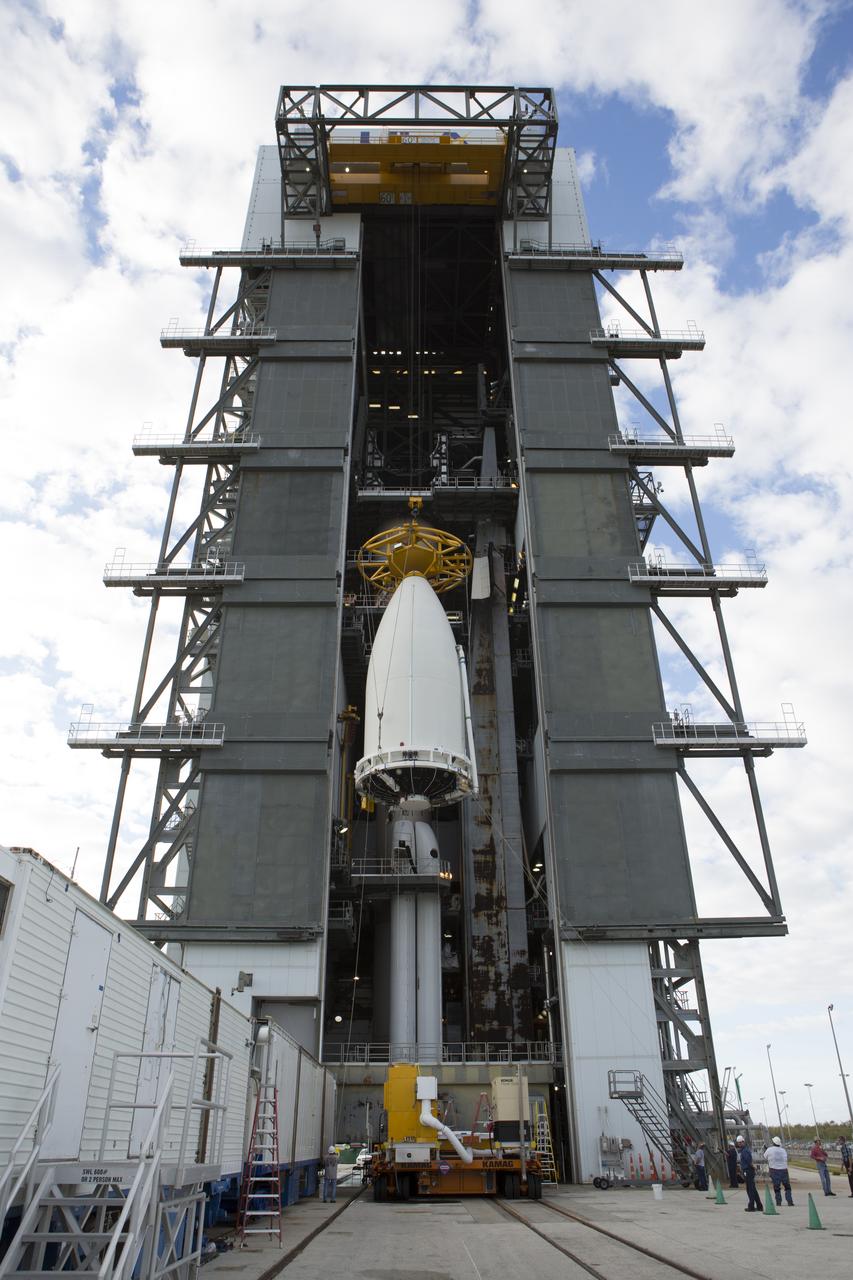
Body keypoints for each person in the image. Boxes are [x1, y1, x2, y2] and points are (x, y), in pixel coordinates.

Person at [763, 1135, 794, 1207]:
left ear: (773, 1142)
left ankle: (778, 1201)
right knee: (787, 1186)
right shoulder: (783, 1150)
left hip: (774, 1170)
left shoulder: (769, 1149)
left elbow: (765, 1157)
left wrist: (766, 1150)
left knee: (777, 1187)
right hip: (784, 1170)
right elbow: (785, 1159)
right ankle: (789, 1201)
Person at [736, 1135, 763, 1212]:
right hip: (748, 1171)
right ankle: (759, 1205)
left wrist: (753, 1167)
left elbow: (749, 1161)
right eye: (739, 1143)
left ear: (743, 1142)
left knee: (750, 1189)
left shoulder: (745, 1151)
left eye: (741, 1142)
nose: (740, 1144)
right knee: (753, 1189)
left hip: (748, 1171)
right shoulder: (744, 1150)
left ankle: (751, 1206)